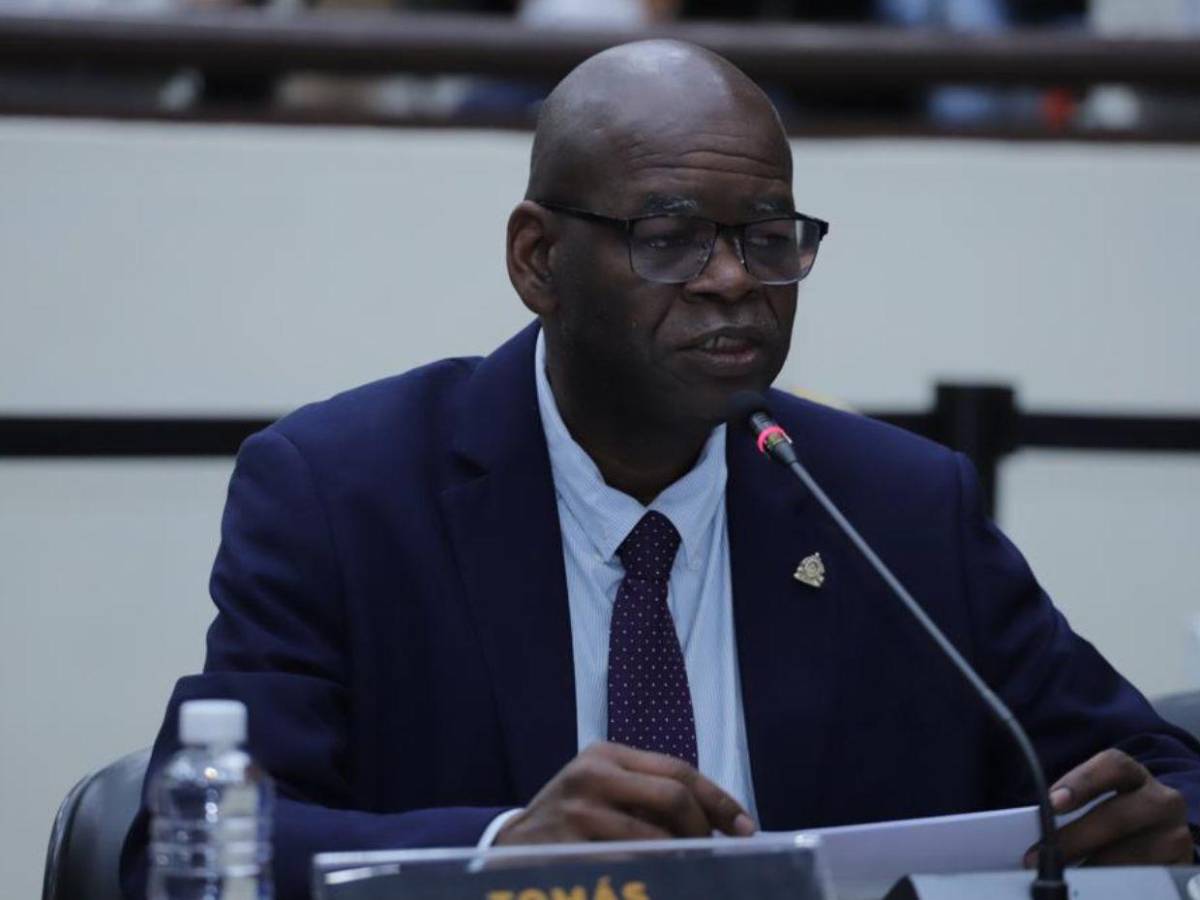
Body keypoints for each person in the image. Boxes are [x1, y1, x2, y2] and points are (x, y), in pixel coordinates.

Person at [122, 40, 1200, 900]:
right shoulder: (344, 492)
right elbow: (192, 847)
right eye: (670, 237)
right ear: (538, 260)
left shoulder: (896, 507)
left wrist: (1161, 828)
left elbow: (1159, 777)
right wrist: (500, 856)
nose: (733, 280)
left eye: (768, 238)